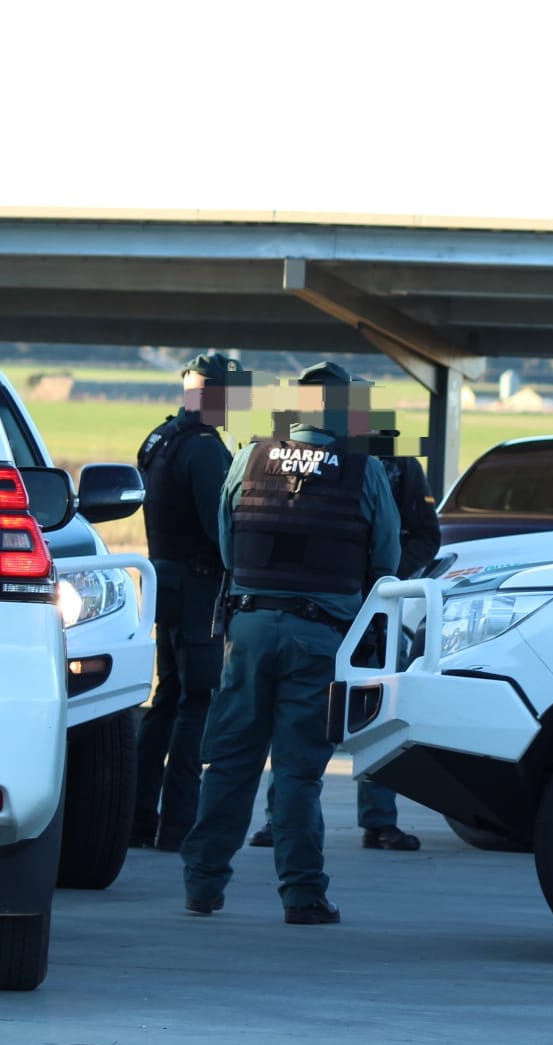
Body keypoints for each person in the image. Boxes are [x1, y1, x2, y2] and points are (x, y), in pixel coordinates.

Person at [178, 361, 401, 923]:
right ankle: (302, 895)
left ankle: (202, 885)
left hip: (249, 629)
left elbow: (229, 546)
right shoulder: (362, 470)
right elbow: (386, 561)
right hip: (319, 637)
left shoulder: (249, 457)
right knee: (298, 771)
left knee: (229, 763)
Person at [247, 410, 440, 851]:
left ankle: (379, 820)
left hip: (373, 609)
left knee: (378, 713)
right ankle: (280, 819)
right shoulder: (293, 452)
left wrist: (382, 585)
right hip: (315, 607)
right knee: (295, 715)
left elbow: (425, 535)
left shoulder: (393, 458)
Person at [131, 352, 241, 852]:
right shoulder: (203, 449)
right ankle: (178, 825)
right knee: (197, 701)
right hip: (197, 589)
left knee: (167, 700)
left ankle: (135, 818)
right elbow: (219, 527)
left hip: (165, 583)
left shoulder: (161, 438)